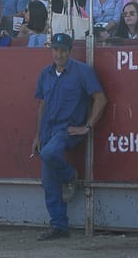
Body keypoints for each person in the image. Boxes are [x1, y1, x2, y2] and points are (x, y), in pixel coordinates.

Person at [31, 33, 105, 240]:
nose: (59, 54)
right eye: (55, 50)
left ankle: (71, 176)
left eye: (63, 50)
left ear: (70, 51)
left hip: (68, 130)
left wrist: (87, 126)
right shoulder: (45, 74)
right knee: (48, 182)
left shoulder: (82, 71)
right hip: (49, 131)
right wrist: (38, 135)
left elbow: (101, 98)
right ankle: (59, 227)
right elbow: (42, 105)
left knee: (48, 154)